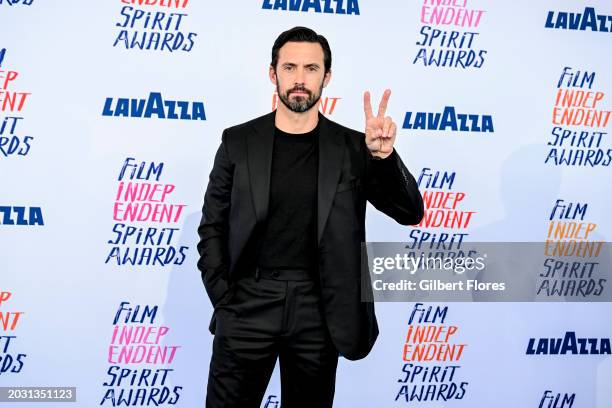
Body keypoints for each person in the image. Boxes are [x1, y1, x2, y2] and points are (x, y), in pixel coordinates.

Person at [197, 26, 424, 408]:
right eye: (289, 67)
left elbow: (409, 212)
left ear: (327, 77)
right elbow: (212, 227)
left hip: (319, 310)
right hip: (248, 303)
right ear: (273, 74)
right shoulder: (238, 142)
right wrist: (226, 298)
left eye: (311, 68)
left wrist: (383, 158)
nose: (300, 79)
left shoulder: (353, 147)